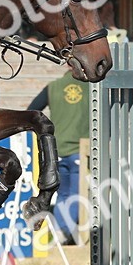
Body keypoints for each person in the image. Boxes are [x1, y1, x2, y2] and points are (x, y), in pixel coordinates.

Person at [28, 72, 91, 243]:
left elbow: (32, 110)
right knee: (77, 194)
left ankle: (59, 233)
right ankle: (64, 233)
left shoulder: (53, 87)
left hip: (57, 150)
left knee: (62, 194)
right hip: (80, 149)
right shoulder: (90, 87)